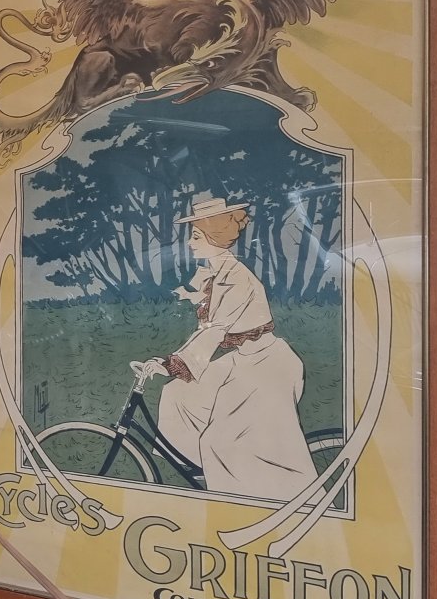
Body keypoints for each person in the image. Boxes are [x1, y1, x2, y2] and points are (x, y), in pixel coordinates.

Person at [136, 194, 317, 500]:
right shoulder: (216, 273)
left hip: (266, 366)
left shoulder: (236, 278)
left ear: (215, 237)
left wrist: (170, 364)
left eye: (196, 236)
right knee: (177, 394)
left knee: (221, 442)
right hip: (244, 358)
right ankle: (209, 470)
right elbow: (209, 322)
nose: (190, 243)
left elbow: (215, 330)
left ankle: (249, 495)